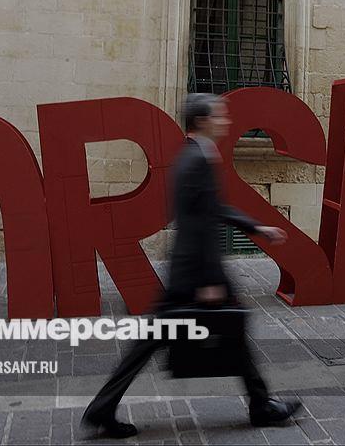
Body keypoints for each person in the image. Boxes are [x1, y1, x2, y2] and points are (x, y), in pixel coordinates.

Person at [81, 93, 302, 439]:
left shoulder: (193, 154)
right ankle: (260, 405)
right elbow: (198, 223)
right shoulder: (196, 159)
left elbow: (212, 209)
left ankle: (102, 408)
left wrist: (257, 228)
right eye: (219, 116)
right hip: (196, 272)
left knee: (161, 339)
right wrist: (209, 279)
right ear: (201, 121)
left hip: (187, 269)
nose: (226, 121)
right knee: (216, 332)